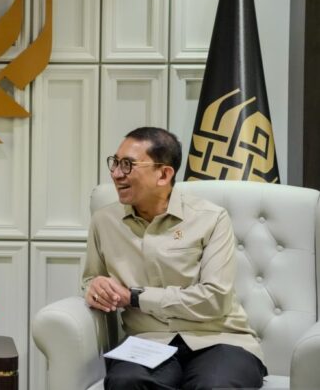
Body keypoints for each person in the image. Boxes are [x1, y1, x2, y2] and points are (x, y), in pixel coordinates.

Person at [83, 127, 267, 389]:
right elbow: (91, 278)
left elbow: (214, 299)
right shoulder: (104, 221)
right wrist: (95, 287)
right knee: (127, 382)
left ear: (164, 174)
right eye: (115, 162)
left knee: (214, 385)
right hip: (148, 341)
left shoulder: (211, 218)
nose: (116, 173)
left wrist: (135, 297)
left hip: (219, 338)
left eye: (128, 165)